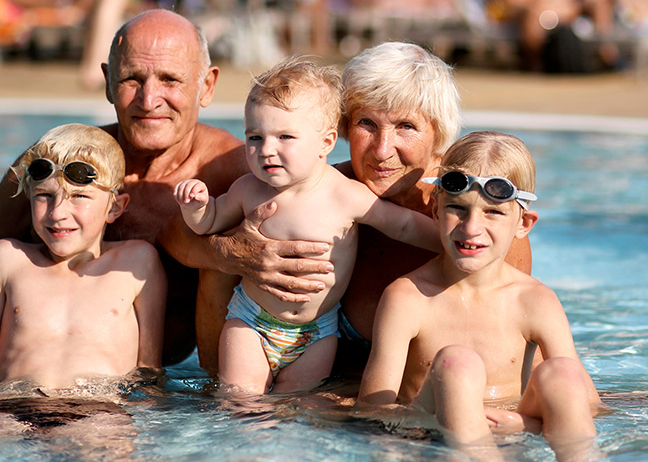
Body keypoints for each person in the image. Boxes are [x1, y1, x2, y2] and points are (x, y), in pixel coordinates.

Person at [0, 9, 247, 380]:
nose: (148, 99)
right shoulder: (53, 164)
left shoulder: (235, 173)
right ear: (108, 81)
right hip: (9, 357)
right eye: (132, 79)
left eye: (170, 80)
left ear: (206, 85)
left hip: (119, 390)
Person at [158, 41, 533, 378]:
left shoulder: (478, 223)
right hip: (275, 358)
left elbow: (506, 359)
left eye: (406, 127)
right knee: (223, 256)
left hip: (405, 396)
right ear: (340, 130)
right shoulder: (305, 186)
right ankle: (216, 388)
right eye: (367, 123)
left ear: (439, 134)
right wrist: (230, 254)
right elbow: (174, 235)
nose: (382, 149)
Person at [173, 56, 441, 394]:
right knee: (240, 400)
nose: (266, 150)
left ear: (326, 143)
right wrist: (195, 206)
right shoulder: (247, 189)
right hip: (251, 321)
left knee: (300, 408)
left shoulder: (346, 194)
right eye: (255, 137)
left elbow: (402, 226)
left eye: (285, 137)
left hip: (317, 332)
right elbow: (207, 222)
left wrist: (447, 241)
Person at [356, 131, 602, 462]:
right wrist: (456, 418)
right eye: (458, 208)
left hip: (512, 430)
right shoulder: (408, 297)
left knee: (562, 373)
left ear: (524, 223)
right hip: (430, 435)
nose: (471, 228)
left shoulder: (535, 300)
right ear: (435, 208)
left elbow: (588, 403)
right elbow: (374, 409)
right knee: (457, 364)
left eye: (493, 212)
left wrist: (520, 424)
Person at [0, 123, 165, 390]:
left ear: (114, 207)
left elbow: (150, 370)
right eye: (45, 195)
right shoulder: (8, 258)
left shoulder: (138, 263)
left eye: (79, 196)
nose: (57, 213)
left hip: (99, 411)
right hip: (13, 405)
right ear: (29, 195)